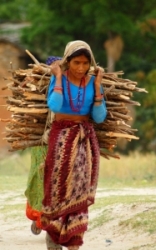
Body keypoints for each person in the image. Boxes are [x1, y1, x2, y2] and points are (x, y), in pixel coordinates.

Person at [41, 40, 107, 250]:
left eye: (85, 63)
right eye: (76, 62)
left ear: (90, 63)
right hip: (60, 137)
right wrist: (59, 77)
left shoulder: (94, 82)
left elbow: (98, 117)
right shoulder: (58, 78)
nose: (81, 68)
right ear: (67, 61)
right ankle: (53, 235)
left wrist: (97, 88)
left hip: (84, 140)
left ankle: (74, 242)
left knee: (79, 187)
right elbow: (54, 105)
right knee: (57, 187)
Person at [25, 56, 62, 235]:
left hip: (63, 140)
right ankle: (39, 217)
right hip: (42, 143)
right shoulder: (40, 87)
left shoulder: (68, 86)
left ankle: (49, 221)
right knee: (40, 178)